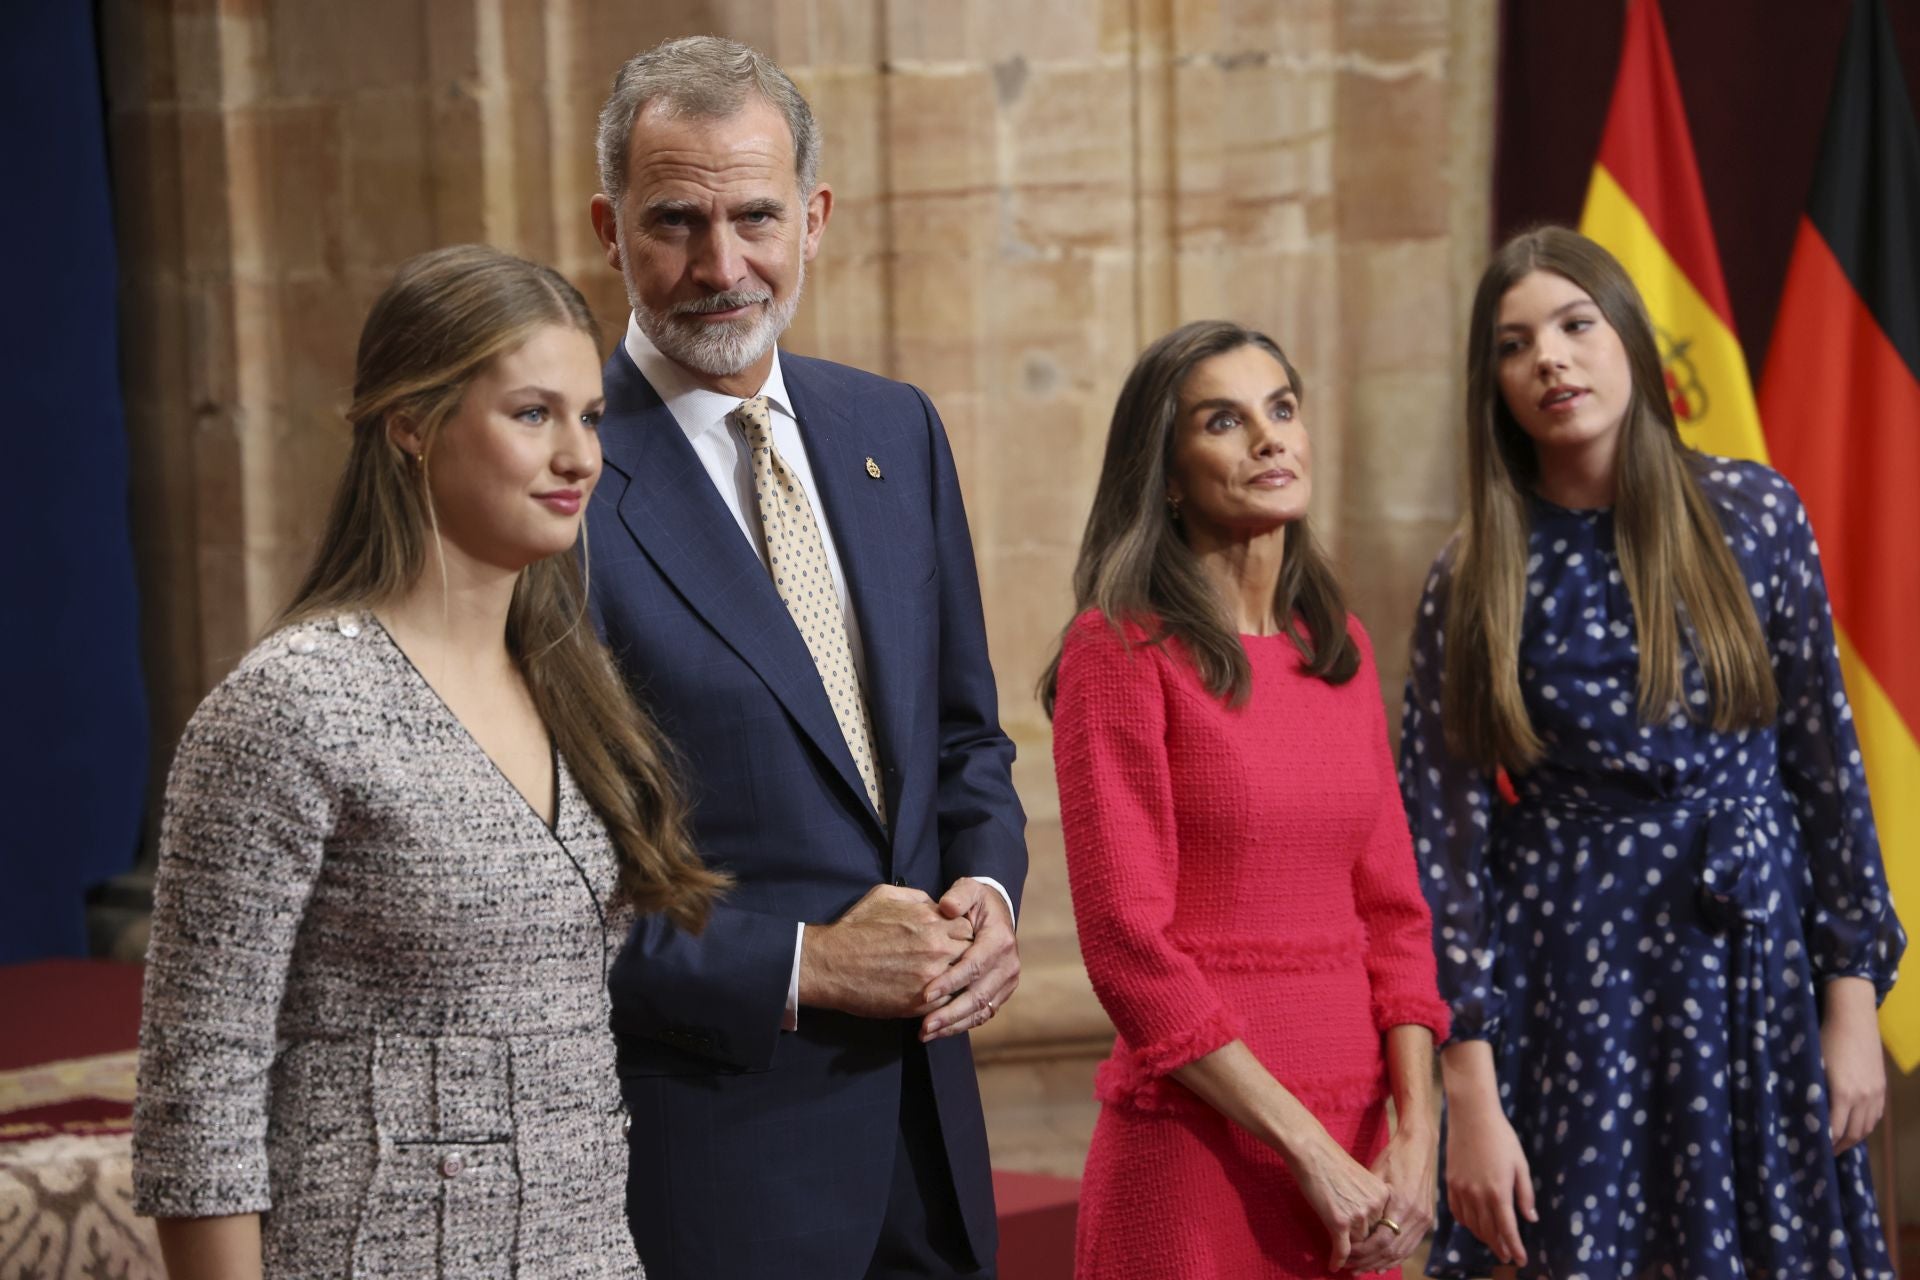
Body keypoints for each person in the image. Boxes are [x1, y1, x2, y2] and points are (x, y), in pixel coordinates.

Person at [131, 244, 726, 1279]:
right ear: (411, 424)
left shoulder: (572, 685)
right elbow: (199, 1096)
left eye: (590, 416)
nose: (580, 456)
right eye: (533, 413)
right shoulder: (293, 702)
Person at [582, 35, 1028, 1280]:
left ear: (815, 216)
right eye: (676, 221)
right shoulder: (561, 484)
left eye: (757, 217)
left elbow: (963, 742)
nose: (723, 267)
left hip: (930, 1139)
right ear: (610, 230)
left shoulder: (893, 427)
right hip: (723, 1157)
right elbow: (553, 885)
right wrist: (807, 960)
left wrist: (990, 897)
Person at [1401, 226, 1907, 1278]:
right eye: (1515, 342)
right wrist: (1470, 1091)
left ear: (1628, 337)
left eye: (1576, 324)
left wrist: (1852, 1002)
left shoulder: (1757, 514)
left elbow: (1829, 769)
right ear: (1492, 383)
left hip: (1753, 969)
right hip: (1574, 983)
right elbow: (1439, 853)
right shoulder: (1476, 571)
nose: (1551, 357)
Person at [1042, 320, 1451, 1278]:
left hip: (1363, 1165)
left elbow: (1396, 917)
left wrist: (1417, 1138)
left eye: (1282, 409)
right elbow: (1127, 950)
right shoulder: (1120, 651)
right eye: (1224, 421)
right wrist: (1309, 1152)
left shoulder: (1334, 645)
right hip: (1203, 1157)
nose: (1270, 438)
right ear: (1168, 474)